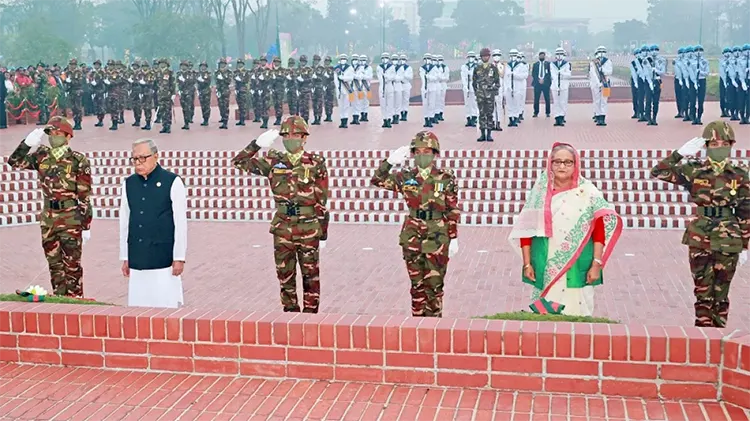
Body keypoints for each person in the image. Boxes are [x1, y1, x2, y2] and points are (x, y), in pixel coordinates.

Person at [651, 121, 750, 328]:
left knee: (721, 293)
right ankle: (703, 337)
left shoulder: (740, 173)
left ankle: (719, 335)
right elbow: (658, 171)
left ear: (731, 145)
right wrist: (679, 154)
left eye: (724, 143)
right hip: (700, 236)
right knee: (702, 291)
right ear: (705, 146)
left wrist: (745, 244)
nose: (719, 148)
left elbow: (745, 210)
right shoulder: (693, 170)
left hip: (728, 237)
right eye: (714, 144)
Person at [508, 142, 623, 316]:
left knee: (577, 314)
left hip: (577, 263)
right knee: (545, 316)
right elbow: (528, 230)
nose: (562, 166)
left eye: (568, 162)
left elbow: (599, 231)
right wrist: (527, 263)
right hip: (546, 262)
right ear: (550, 164)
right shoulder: (539, 193)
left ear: (576, 165)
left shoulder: (588, 193)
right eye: (557, 162)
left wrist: (596, 263)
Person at [231, 117, 329, 313]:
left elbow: (322, 199)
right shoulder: (274, 162)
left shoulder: (316, 163)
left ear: (304, 138)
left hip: (309, 226)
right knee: (285, 276)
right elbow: (239, 162)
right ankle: (290, 316)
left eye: (295, 135)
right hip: (283, 227)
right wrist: (257, 144)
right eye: (286, 135)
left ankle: (310, 319)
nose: (290, 138)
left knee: (311, 276)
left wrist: (323, 232)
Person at [371, 131, 460, 317]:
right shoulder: (405, 176)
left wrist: (453, 238)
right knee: (417, 286)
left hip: (437, 236)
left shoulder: (445, 177)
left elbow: (452, 209)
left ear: (435, 153)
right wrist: (389, 162)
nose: (422, 155)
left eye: (426, 151)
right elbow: (377, 180)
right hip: (412, 235)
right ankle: (418, 328)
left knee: (435, 287)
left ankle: (434, 327)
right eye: (417, 151)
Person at [8, 117, 93, 297]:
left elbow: (84, 196)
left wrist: (86, 225)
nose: (53, 136)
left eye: (57, 132)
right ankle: (60, 302)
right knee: (54, 264)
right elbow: (14, 161)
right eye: (50, 133)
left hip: (70, 218)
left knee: (72, 266)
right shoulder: (41, 156)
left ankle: (76, 303)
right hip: (49, 218)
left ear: (68, 135)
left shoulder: (77, 160)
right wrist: (27, 144)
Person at [119, 138, 187, 308]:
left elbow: (180, 222)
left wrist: (179, 257)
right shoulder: (129, 184)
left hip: (162, 255)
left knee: (164, 305)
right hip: (138, 255)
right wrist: (125, 256)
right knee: (139, 307)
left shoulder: (172, 181)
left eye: (143, 158)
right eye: (135, 159)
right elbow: (125, 221)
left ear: (156, 156)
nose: (138, 163)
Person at [473, 47, 500, 142]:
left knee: (489, 114)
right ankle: (482, 134)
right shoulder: (477, 68)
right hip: (480, 95)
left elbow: (497, 82)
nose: (485, 57)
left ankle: (489, 134)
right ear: (481, 57)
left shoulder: (493, 68)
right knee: (481, 114)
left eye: (487, 56)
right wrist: (477, 92)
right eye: (484, 56)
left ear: (489, 57)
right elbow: (474, 82)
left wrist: (493, 90)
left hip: (490, 95)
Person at [589, 46, 612, 126]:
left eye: (603, 51)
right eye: (600, 51)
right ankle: (598, 117)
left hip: (606, 85)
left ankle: (603, 117)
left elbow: (610, 72)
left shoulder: (608, 61)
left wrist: (603, 70)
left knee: (604, 101)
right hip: (596, 85)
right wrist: (598, 83)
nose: (601, 53)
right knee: (597, 101)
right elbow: (593, 74)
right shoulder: (593, 63)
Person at [550, 47, 571, 127]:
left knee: (563, 102)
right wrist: (556, 83)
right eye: (558, 54)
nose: (559, 56)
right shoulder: (552, 64)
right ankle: (557, 118)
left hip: (564, 86)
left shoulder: (566, 64)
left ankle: (562, 117)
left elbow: (568, 75)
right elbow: (553, 75)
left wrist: (561, 74)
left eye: (561, 54)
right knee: (556, 102)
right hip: (555, 86)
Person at [334, 54, 355, 128]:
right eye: (342, 58)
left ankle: (345, 121)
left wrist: (343, 78)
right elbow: (335, 80)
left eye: (344, 58)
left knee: (346, 105)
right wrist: (337, 88)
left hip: (346, 89)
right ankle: (342, 120)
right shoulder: (336, 68)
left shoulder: (350, 68)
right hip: (339, 90)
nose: (343, 60)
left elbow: (351, 78)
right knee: (341, 106)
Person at [377, 52, 396, 128]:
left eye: (386, 57)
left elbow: (393, 76)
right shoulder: (379, 67)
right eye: (383, 58)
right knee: (383, 104)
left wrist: (387, 77)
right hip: (382, 86)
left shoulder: (392, 67)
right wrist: (385, 78)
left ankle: (389, 119)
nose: (385, 59)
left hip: (389, 86)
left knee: (390, 104)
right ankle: (384, 119)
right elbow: (380, 78)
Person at [460, 51, 478, 127]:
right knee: (467, 103)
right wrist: (464, 86)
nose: (471, 58)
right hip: (466, 85)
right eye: (469, 57)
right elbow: (463, 77)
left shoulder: (477, 66)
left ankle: (474, 118)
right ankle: (468, 119)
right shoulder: (464, 67)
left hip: (474, 84)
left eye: (472, 57)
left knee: (474, 103)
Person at [532, 49, 551, 118]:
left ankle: (548, 112)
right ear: (539, 56)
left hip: (546, 84)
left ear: (545, 56)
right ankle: (536, 112)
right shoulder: (535, 64)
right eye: (540, 56)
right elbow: (533, 74)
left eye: (543, 56)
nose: (542, 57)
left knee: (547, 98)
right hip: (537, 84)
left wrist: (544, 80)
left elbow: (549, 74)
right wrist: (538, 80)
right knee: (536, 99)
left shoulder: (548, 64)